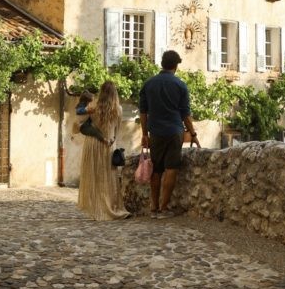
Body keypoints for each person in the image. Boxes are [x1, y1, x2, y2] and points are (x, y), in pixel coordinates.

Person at [139, 50, 200, 218]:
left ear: (162, 64)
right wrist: (193, 134)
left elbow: (143, 112)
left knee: (156, 170)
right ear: (176, 66)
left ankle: (153, 208)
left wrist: (145, 134)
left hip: (155, 132)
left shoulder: (148, 84)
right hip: (174, 132)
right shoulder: (180, 85)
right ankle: (164, 209)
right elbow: (185, 115)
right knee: (171, 168)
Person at [77, 81, 130, 221]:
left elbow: (82, 121)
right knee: (108, 177)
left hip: (92, 144)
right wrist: (112, 139)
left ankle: (96, 210)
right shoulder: (118, 109)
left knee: (94, 176)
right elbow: (117, 130)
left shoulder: (92, 107)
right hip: (108, 144)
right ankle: (110, 208)